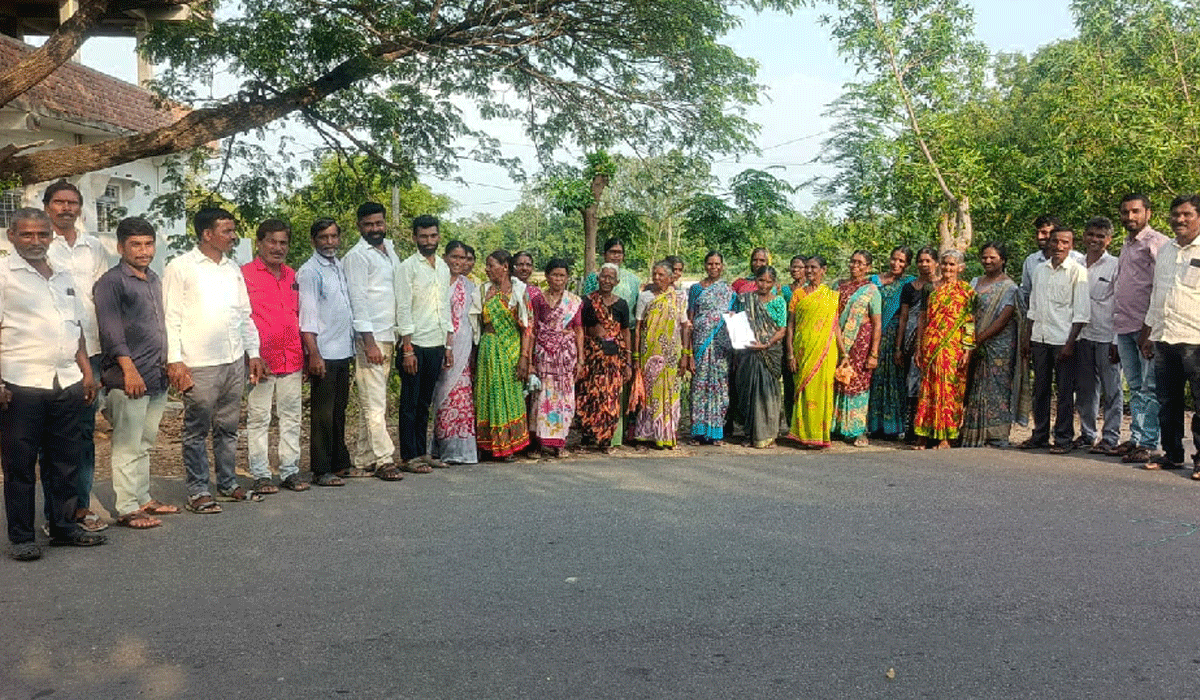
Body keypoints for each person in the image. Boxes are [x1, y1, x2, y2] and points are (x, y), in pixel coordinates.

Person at [1, 208, 104, 559]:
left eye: (42, 235)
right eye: (26, 234)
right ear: (11, 235)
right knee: (20, 465)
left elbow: (73, 327)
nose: (35, 241)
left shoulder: (61, 275)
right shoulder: (3, 275)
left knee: (65, 461)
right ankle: (22, 537)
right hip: (21, 383)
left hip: (67, 381)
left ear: (50, 237)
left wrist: (86, 372)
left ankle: (62, 527)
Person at [164, 207, 266, 513]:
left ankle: (226, 484)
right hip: (199, 362)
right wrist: (175, 361)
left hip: (234, 360)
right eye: (227, 231)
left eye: (233, 231)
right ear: (207, 234)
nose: (234, 236)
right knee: (197, 430)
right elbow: (171, 317)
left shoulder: (233, 268)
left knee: (228, 427)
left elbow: (244, 315)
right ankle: (197, 490)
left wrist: (254, 353)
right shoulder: (180, 267)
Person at [93, 217, 179, 529]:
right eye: (135, 245)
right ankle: (127, 507)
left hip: (156, 376)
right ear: (120, 247)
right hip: (129, 377)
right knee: (127, 445)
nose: (143, 251)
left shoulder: (154, 279)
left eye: (148, 244)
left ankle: (142, 497)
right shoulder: (111, 282)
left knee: (144, 442)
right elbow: (111, 331)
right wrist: (129, 371)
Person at [44, 180, 110, 533]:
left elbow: (102, 297)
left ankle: (80, 506)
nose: (66, 208)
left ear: (80, 209)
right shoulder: (39, 245)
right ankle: (54, 514)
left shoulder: (93, 248)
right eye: (59, 202)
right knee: (51, 435)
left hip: (93, 352)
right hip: (54, 352)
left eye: (72, 203)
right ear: (47, 206)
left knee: (84, 432)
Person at [241, 219, 307, 494]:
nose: (278, 248)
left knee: (292, 416)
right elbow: (240, 318)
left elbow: (298, 315)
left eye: (283, 243)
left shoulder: (293, 276)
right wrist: (250, 355)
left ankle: (290, 470)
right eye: (272, 241)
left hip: (291, 357)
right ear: (260, 242)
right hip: (260, 361)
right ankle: (260, 474)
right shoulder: (244, 275)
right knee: (259, 418)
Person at [1140, 193, 1200, 474]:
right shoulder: (1165, 250)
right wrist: (1148, 333)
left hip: (1196, 339)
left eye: (1187, 214)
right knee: (1167, 401)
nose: (1180, 220)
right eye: (1176, 215)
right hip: (1165, 337)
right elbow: (1157, 294)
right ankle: (1172, 453)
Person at [1020, 227, 1090, 453]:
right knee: (1040, 389)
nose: (1059, 247)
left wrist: (1070, 343)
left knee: (1064, 392)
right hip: (1040, 337)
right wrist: (1027, 337)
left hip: (1063, 341)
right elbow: (1033, 307)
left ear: (1071, 245)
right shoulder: (1040, 270)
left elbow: (1081, 313)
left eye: (1065, 242)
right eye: (1055, 242)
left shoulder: (1077, 271)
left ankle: (1063, 438)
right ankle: (1039, 434)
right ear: (1049, 243)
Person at [298, 218, 356, 486]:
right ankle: (322, 469)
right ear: (314, 241)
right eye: (324, 237)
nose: (330, 242)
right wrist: (314, 355)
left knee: (339, 410)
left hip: (343, 348)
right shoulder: (310, 272)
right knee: (323, 413)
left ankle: (339, 462)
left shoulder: (338, 266)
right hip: (324, 352)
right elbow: (307, 318)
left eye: (334, 236)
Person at [344, 202, 401, 477]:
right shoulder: (357, 256)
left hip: (389, 334)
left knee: (374, 401)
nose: (375, 229)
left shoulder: (389, 249)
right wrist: (368, 341)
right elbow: (358, 300)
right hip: (371, 337)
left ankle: (364, 457)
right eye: (368, 224)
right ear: (359, 226)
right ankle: (384, 459)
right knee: (375, 402)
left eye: (378, 223)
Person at [395, 214, 454, 473]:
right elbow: (403, 307)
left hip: (436, 343)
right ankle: (409, 456)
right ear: (415, 237)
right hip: (414, 344)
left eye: (433, 236)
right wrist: (407, 348)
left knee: (424, 403)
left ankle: (422, 452)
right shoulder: (407, 267)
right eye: (423, 236)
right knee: (410, 402)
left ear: (438, 237)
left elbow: (445, 307)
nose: (429, 241)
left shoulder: (442, 267)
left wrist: (448, 346)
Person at [1113, 194, 1169, 464]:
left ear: (1148, 212)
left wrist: (1150, 328)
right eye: (1125, 213)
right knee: (1135, 387)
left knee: (1149, 387)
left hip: (1146, 328)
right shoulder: (1126, 243)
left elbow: (1162, 286)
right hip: (1124, 325)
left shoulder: (1156, 243)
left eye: (1135, 212)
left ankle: (1148, 442)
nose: (1130, 217)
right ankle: (1136, 438)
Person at [471, 249, 531, 460]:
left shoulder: (518, 292)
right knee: (487, 394)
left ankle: (509, 445)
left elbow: (526, 328)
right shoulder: (483, 291)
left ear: (505, 267)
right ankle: (488, 445)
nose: (487, 270)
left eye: (490, 265)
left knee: (508, 395)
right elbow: (476, 325)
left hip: (510, 349)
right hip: (488, 348)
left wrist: (524, 357)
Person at [912, 250, 976, 450]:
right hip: (931, 344)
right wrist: (918, 348)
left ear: (961, 268)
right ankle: (923, 436)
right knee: (928, 389)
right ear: (939, 265)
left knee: (949, 390)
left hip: (954, 347)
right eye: (945, 264)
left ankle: (946, 437)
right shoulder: (930, 288)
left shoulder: (967, 292)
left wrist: (967, 350)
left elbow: (970, 323)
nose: (948, 268)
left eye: (952, 265)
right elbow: (922, 319)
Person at [961, 242, 1022, 448]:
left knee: (997, 386)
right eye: (984, 257)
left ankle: (996, 434)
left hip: (999, 345)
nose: (987, 261)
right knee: (973, 384)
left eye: (992, 258)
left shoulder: (1010, 287)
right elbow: (965, 310)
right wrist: (969, 339)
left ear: (1002, 260)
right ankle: (972, 431)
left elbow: (1003, 319)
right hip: (973, 340)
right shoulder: (975, 282)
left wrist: (980, 339)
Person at [631, 261, 692, 448]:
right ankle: (647, 434)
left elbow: (684, 326)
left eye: (661, 275)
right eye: (654, 274)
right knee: (649, 394)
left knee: (670, 393)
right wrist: (635, 356)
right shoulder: (645, 297)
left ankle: (666, 433)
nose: (657, 278)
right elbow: (639, 327)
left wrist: (685, 354)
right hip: (649, 352)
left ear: (670, 277)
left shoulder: (679, 297)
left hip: (672, 353)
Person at [1076, 217, 1122, 454]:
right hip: (1081, 335)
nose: (1095, 240)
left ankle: (1111, 437)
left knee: (1111, 389)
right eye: (1091, 235)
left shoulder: (1115, 265)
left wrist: (1117, 340)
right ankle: (1087, 434)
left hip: (1107, 335)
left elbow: (1120, 303)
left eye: (1100, 236)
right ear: (1084, 236)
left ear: (1109, 240)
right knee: (1086, 389)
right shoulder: (1076, 262)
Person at [530, 258, 584, 457]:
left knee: (563, 397)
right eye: (554, 275)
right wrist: (529, 359)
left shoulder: (574, 302)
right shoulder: (538, 300)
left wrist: (581, 359)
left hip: (565, 354)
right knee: (541, 397)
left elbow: (578, 329)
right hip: (543, 354)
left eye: (562, 276)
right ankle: (538, 444)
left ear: (567, 278)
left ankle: (559, 443)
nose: (558, 279)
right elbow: (534, 328)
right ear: (547, 276)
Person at [431, 241, 479, 465]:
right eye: (454, 257)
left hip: (461, 347)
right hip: (436, 342)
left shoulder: (469, 287)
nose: (458, 262)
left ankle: (458, 450)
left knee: (459, 397)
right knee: (438, 395)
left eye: (463, 258)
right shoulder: (436, 282)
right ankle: (435, 448)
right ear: (445, 257)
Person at [786, 255, 841, 448]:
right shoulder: (798, 295)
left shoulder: (832, 296)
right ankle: (802, 434)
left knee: (823, 392)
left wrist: (844, 354)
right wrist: (790, 353)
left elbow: (835, 326)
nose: (809, 271)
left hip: (825, 350)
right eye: (807, 268)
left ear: (823, 270)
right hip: (803, 349)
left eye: (814, 267)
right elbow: (790, 326)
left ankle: (820, 435)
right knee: (803, 391)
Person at [578, 263, 633, 453]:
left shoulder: (621, 304)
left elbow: (625, 332)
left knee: (610, 396)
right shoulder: (586, 301)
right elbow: (580, 330)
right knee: (590, 395)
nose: (607, 281)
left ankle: (606, 438)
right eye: (604, 276)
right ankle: (589, 435)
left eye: (611, 278)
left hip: (613, 358)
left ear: (617, 281)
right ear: (598, 278)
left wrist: (628, 361)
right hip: (592, 356)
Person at [734, 265, 788, 448]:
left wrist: (766, 344)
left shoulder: (779, 302)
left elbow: (782, 329)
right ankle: (750, 433)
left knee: (768, 392)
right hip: (749, 352)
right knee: (749, 391)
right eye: (761, 280)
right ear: (755, 281)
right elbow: (738, 321)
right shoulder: (746, 299)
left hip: (769, 352)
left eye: (769, 281)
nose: (764, 285)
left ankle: (769, 434)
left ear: (774, 283)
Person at [833, 250, 882, 447]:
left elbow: (877, 324)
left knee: (859, 384)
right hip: (840, 342)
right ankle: (838, 427)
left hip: (862, 345)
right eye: (853, 262)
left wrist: (874, 353)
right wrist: (841, 347)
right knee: (839, 381)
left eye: (860, 263)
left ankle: (858, 430)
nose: (855, 266)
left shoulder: (871, 290)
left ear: (868, 267)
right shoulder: (839, 287)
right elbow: (834, 318)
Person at [867, 245, 914, 438]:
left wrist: (899, 346)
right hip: (873, 334)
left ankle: (892, 427)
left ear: (908, 264)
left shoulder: (908, 283)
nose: (896, 263)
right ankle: (873, 425)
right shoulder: (874, 280)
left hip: (895, 335)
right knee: (874, 379)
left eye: (902, 261)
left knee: (894, 381)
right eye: (894, 259)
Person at [688, 251, 734, 445]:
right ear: (705, 265)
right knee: (699, 385)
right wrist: (688, 350)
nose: (713, 267)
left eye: (717, 264)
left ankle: (716, 432)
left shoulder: (728, 290)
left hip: (721, 345)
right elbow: (690, 317)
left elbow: (734, 316)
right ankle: (698, 432)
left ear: (722, 266)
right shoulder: (696, 289)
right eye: (710, 264)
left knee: (719, 386)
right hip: (700, 341)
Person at [895, 247, 940, 437]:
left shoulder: (942, 286)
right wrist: (898, 347)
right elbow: (904, 317)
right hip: (912, 340)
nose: (924, 264)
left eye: (928, 260)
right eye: (921, 260)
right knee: (913, 383)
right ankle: (913, 429)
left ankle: (933, 427)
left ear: (936, 263)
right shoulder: (909, 287)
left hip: (937, 339)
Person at [1020, 215, 1084, 307]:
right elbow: (1026, 293)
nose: (1039, 237)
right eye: (1037, 233)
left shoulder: (1077, 260)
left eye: (1045, 233)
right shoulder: (1031, 261)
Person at [581, 238, 641, 312]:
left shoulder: (633, 279)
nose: (616, 256)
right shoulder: (593, 277)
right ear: (604, 254)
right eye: (612, 252)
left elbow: (636, 307)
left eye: (619, 253)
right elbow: (586, 304)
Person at [781, 255, 806, 424]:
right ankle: (790, 422)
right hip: (787, 341)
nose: (795, 270)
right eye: (793, 267)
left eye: (799, 267)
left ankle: (804, 422)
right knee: (789, 383)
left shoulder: (814, 291)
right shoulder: (784, 291)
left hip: (806, 341)